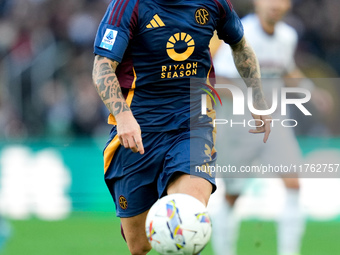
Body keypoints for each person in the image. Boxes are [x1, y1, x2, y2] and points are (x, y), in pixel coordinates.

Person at [92, 0, 271, 254]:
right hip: (140, 126)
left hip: (193, 121)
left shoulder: (214, 3)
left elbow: (239, 44)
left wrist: (257, 95)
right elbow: (102, 66)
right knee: (139, 245)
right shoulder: (129, 5)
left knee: (187, 217)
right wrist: (123, 116)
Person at [208, 0, 330, 255]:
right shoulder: (239, 33)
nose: (275, 5)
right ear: (257, 2)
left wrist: (311, 90)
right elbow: (219, 79)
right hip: (238, 129)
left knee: (294, 184)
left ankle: (289, 251)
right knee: (232, 196)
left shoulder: (288, 36)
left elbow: (287, 69)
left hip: (276, 126)